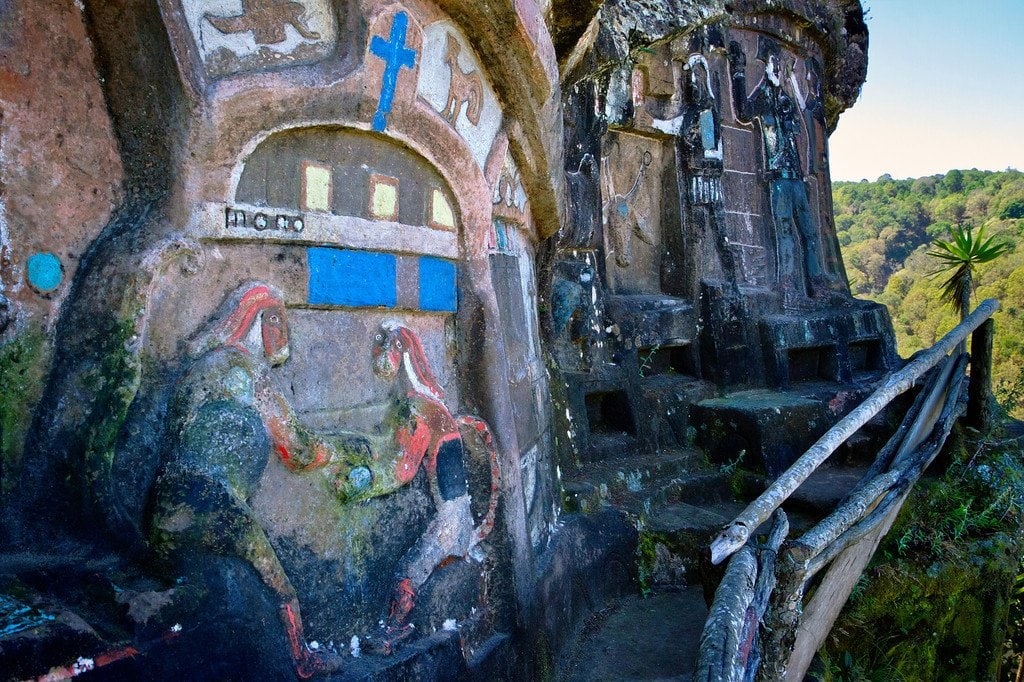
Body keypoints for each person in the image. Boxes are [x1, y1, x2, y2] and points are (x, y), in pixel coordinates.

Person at [729, 38, 830, 307]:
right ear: (765, 67)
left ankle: (816, 284)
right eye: (773, 63)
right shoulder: (762, 97)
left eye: (779, 63)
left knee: (809, 233)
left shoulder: (785, 99)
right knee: (785, 232)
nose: (777, 68)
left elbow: (801, 126)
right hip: (778, 180)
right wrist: (738, 71)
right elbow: (742, 112)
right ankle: (789, 288)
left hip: (795, 178)